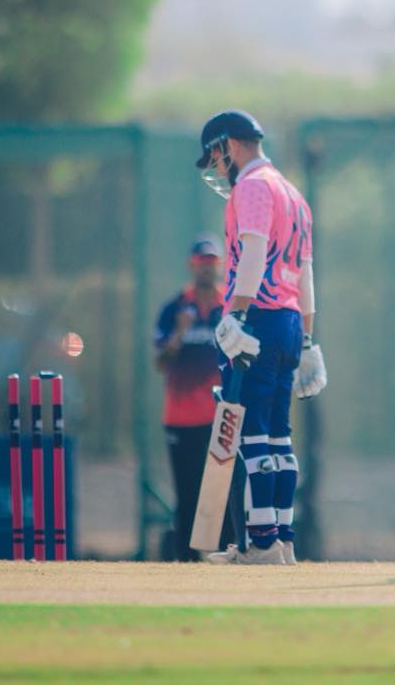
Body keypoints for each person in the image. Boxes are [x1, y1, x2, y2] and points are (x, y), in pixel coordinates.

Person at [195, 109, 326, 565]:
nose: (216, 168)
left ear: (230, 145)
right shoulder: (293, 194)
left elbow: (252, 253)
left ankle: (262, 544)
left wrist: (236, 313)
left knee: (250, 434)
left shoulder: (252, 186)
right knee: (278, 437)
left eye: (216, 157)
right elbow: (305, 274)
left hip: (258, 319)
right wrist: (307, 339)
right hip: (288, 322)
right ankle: (283, 542)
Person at [153, 234, 228, 561]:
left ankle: (225, 560)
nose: (206, 269)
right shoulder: (173, 309)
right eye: (201, 262)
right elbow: (160, 363)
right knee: (186, 495)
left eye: (212, 262)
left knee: (221, 495)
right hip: (181, 418)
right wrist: (180, 332)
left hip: (220, 417)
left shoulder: (229, 308)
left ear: (220, 265)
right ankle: (185, 565)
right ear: (191, 266)